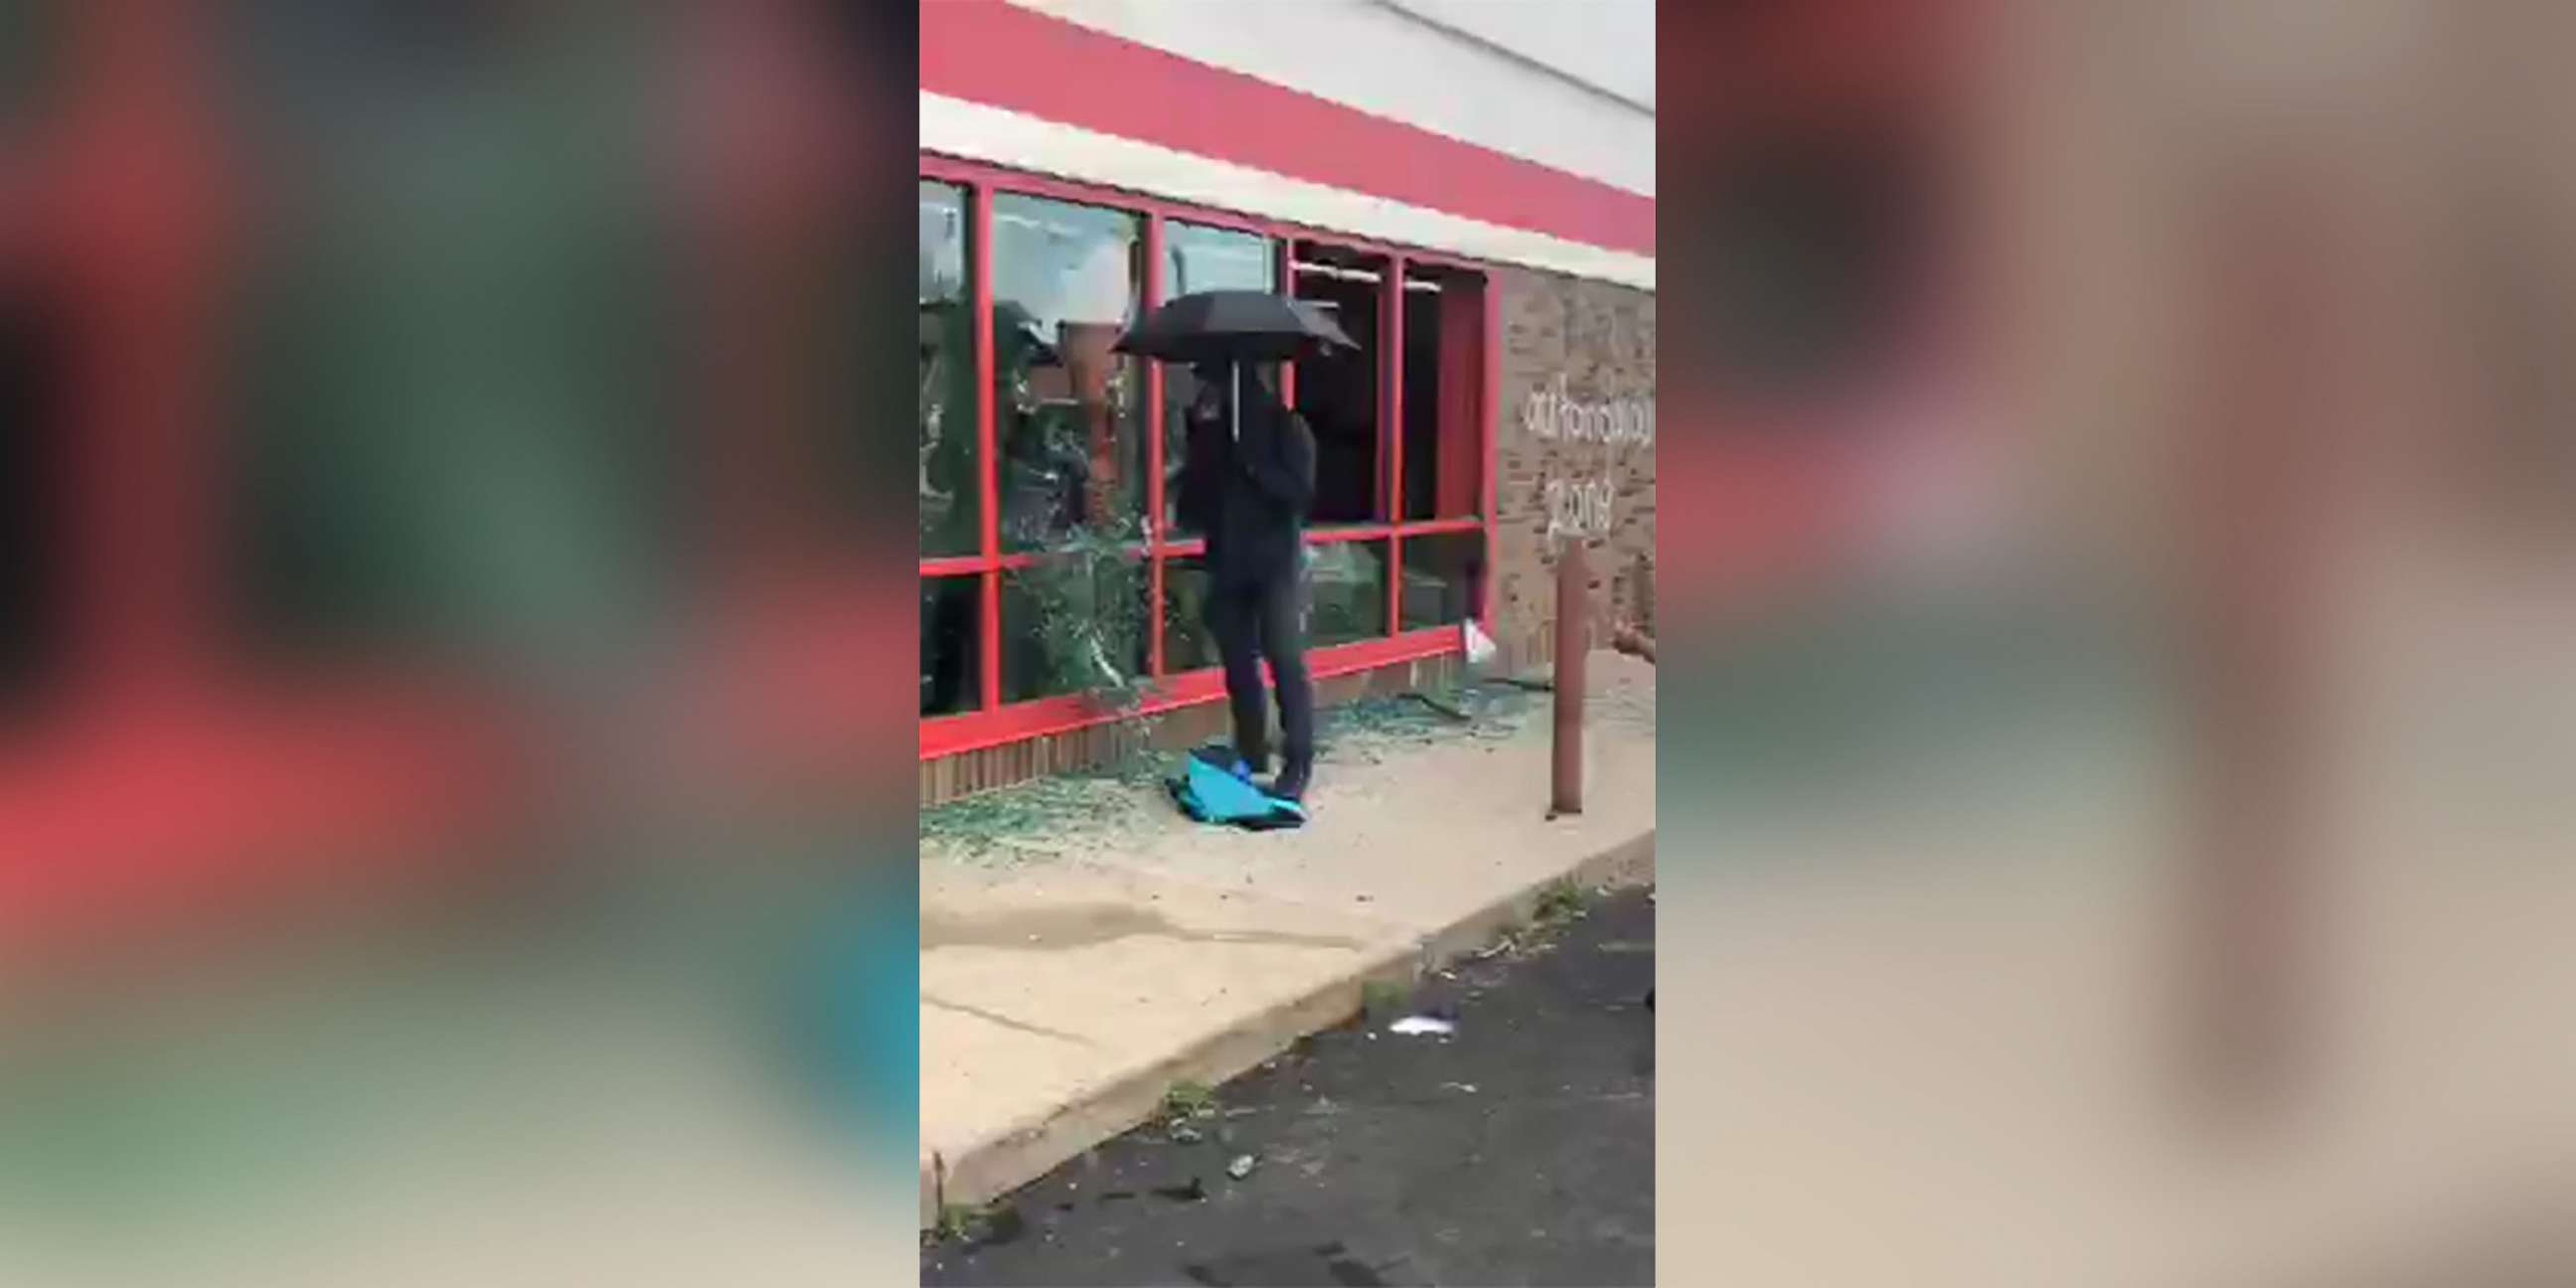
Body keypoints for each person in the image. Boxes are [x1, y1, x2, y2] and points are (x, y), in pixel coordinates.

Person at [1177, 359, 1317, 801]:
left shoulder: (1288, 427)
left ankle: (1298, 759)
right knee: (1239, 666)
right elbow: (1191, 507)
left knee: (1284, 660)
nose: (1209, 391)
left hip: (1274, 564)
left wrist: (1256, 468)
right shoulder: (1216, 436)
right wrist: (1199, 439)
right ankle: (1252, 749)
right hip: (1229, 563)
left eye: (1214, 382)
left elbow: (1301, 494)